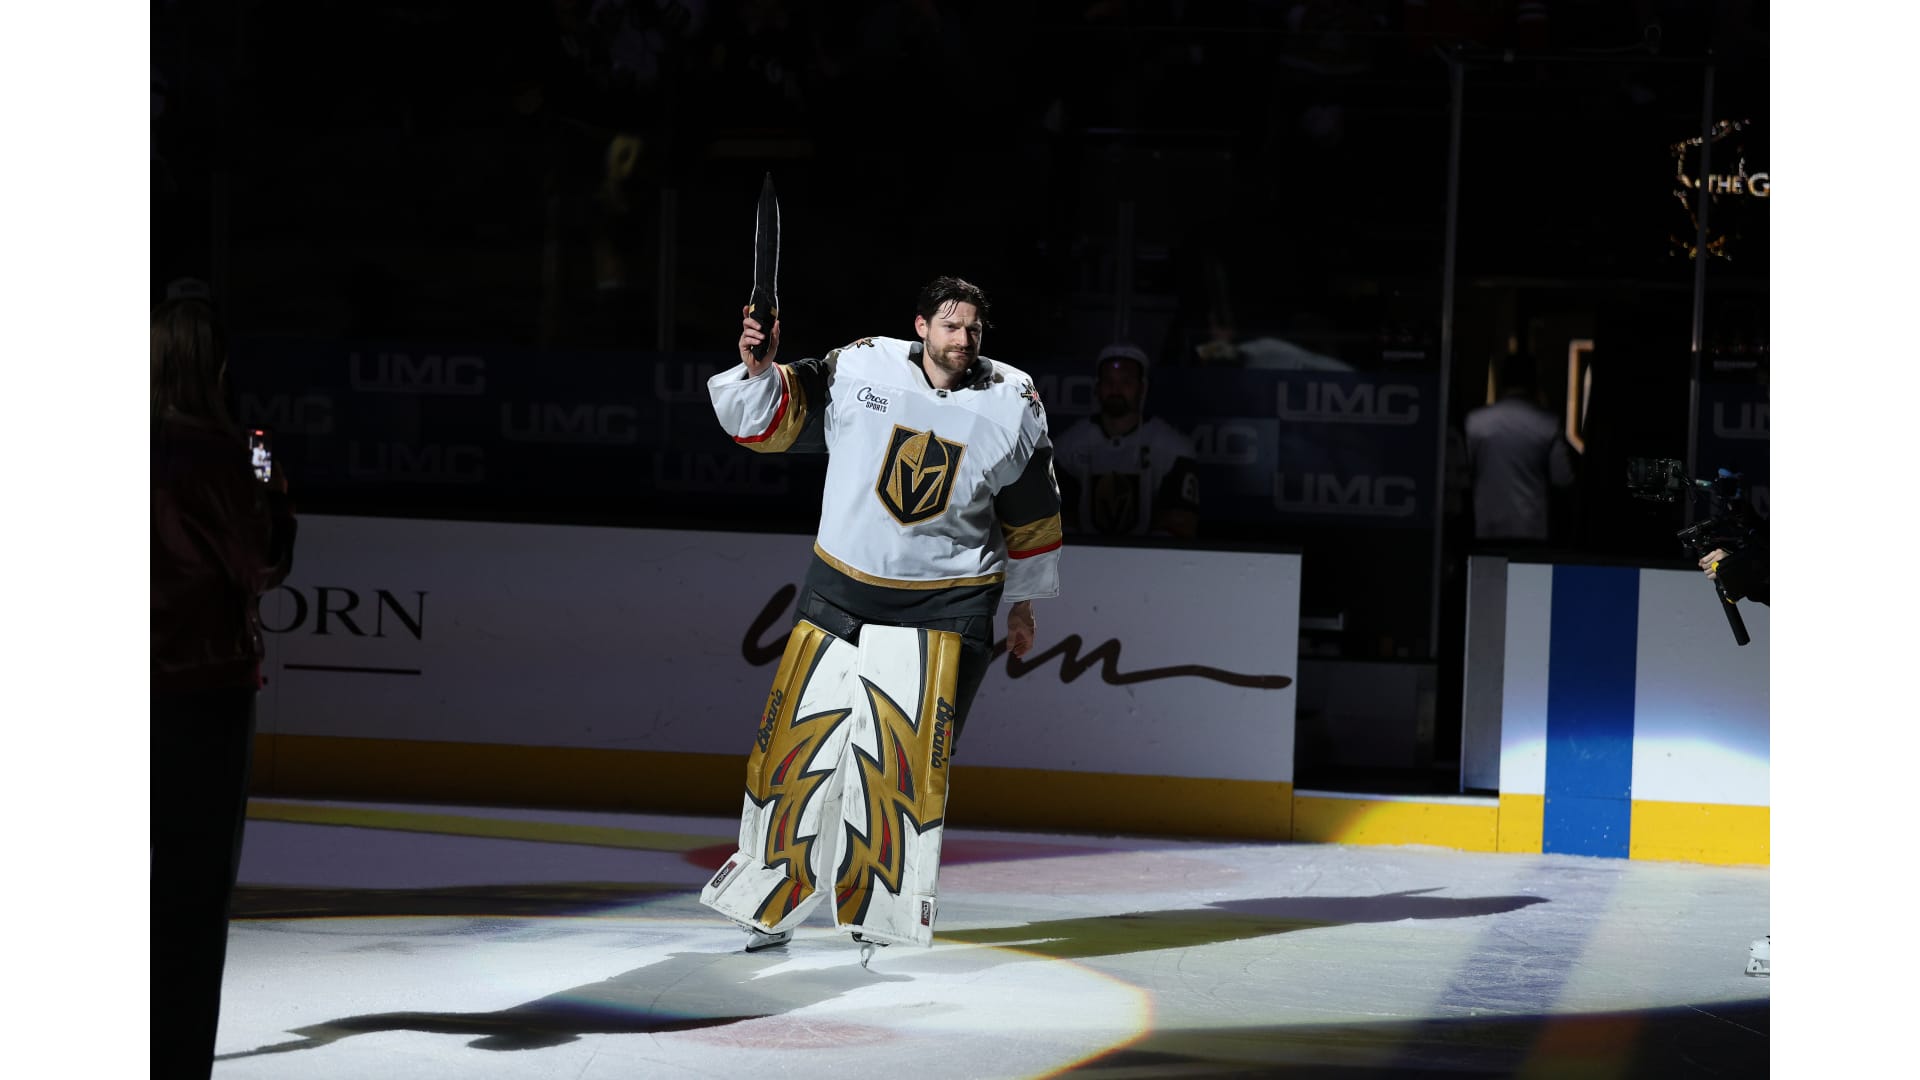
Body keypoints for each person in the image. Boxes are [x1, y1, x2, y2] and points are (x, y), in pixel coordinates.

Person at [697, 276, 1062, 963]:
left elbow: (1033, 510)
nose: (963, 339)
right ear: (920, 326)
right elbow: (770, 422)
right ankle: (769, 900)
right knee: (794, 755)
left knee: (898, 768)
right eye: (950, 325)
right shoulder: (861, 363)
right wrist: (760, 369)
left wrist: (1024, 604)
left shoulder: (1013, 398)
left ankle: (880, 908)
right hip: (839, 592)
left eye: (973, 328)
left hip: (947, 604)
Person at [152, 298, 298, 1078]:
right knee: (189, 896)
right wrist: (272, 492)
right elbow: (262, 564)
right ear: (213, 364)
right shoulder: (225, 459)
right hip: (200, 694)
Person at [1052, 343, 1200, 539]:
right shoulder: (1066, 448)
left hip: (1150, 557)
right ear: (1097, 387)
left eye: (1126, 381)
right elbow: (1056, 524)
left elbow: (1181, 524)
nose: (1116, 389)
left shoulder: (1174, 450)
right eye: (1108, 381)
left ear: (1142, 388)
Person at [1464, 352, 1576, 543]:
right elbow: (1562, 479)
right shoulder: (1548, 424)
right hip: (1531, 529)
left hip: (1485, 526)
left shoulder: (1475, 422)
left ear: (1503, 380)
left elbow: (1464, 474)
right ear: (1534, 382)